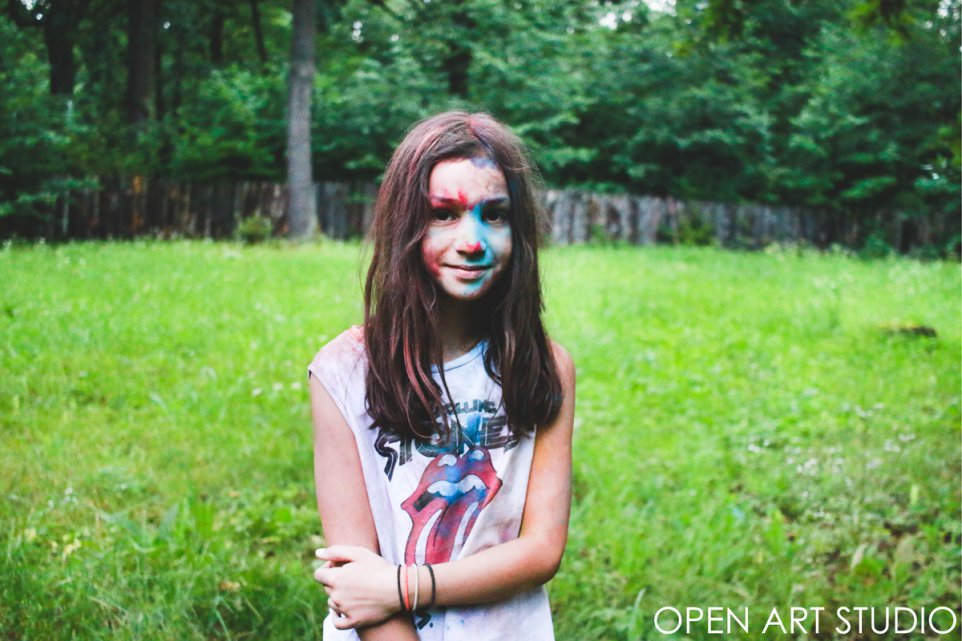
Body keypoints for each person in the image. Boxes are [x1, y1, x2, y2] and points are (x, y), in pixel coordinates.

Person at [307, 111, 576, 641]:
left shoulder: (545, 368)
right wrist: (389, 598)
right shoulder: (343, 371)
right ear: (405, 224)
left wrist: (403, 587)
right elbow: (354, 573)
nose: (473, 241)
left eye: (494, 215)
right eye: (443, 215)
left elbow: (542, 551)